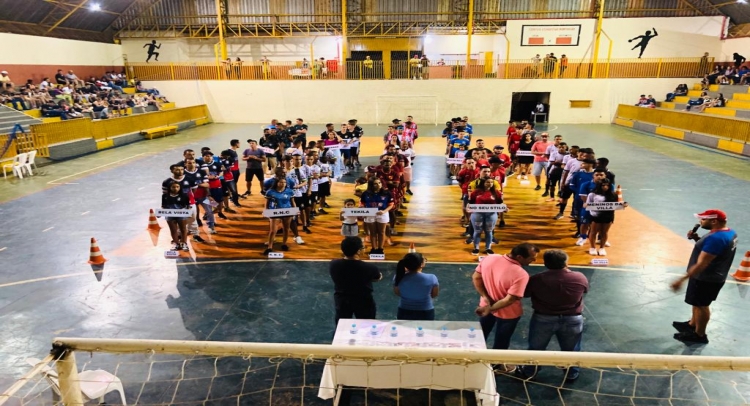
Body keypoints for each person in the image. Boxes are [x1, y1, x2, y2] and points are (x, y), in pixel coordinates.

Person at [517, 249, 589, 381]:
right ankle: (571, 372)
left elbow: (525, 294)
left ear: (546, 263)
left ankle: (530, 371)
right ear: (565, 262)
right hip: (573, 319)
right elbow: (585, 290)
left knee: (536, 348)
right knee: (572, 349)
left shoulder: (536, 279)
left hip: (543, 318)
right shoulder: (579, 277)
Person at [670, 209, 738, 344]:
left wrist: (681, 280)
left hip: (706, 278)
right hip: (712, 276)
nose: (700, 221)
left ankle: (699, 335)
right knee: (697, 302)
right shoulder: (729, 232)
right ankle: (692, 325)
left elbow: (702, 263)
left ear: (714, 221)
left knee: (702, 305)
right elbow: (713, 250)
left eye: (703, 219)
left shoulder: (716, 238)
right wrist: (697, 239)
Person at [473, 243, 539, 357]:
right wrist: (490, 308)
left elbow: (476, 277)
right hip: (508, 313)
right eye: (531, 258)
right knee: (502, 341)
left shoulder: (490, 258)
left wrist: (486, 298)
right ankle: (496, 365)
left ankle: (473, 358)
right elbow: (509, 300)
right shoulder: (521, 274)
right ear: (519, 257)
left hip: (485, 306)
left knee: (480, 336)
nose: (534, 261)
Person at [329, 237, 383, 327]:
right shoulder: (369, 268)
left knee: (342, 327)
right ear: (358, 251)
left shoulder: (334, 264)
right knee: (367, 326)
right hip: (363, 301)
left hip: (342, 300)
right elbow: (377, 277)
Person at [585, 179, 627, 256]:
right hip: (596, 216)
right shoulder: (592, 195)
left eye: (607, 185)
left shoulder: (613, 195)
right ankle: (592, 248)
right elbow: (587, 205)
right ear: (599, 186)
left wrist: (623, 205)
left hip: (608, 216)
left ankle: (602, 248)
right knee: (593, 232)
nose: (605, 187)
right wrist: (588, 206)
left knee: (604, 232)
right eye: (603, 185)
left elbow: (617, 204)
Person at [393, 253, 439, 320]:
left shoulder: (398, 277)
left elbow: (397, 292)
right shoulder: (432, 278)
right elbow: (434, 294)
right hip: (425, 311)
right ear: (421, 264)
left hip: (404, 311)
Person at [469, 178, 503, 255]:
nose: (490, 184)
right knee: (477, 231)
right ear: (483, 183)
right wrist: (469, 209)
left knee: (489, 231)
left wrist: (504, 209)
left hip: (491, 215)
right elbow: (471, 203)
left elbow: (500, 203)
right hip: (477, 214)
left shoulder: (497, 193)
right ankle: (476, 248)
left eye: (491, 182)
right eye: (488, 182)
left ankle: (488, 248)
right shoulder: (476, 192)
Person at [360, 178, 394, 255]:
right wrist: (363, 211)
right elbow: (362, 204)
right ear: (371, 185)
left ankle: (380, 249)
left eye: (379, 183)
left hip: (382, 213)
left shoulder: (387, 193)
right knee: (372, 232)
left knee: (381, 232)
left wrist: (384, 211)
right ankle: (374, 248)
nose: (378, 185)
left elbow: (391, 205)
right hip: (370, 214)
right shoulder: (365, 193)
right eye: (376, 183)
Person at [263, 177, 295, 255]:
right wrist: (266, 211)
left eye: (284, 182)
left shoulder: (290, 191)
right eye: (281, 182)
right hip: (274, 211)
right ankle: (269, 247)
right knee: (273, 230)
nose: (283, 184)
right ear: (277, 183)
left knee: (286, 229)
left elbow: (292, 202)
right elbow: (267, 203)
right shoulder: (270, 192)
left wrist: (295, 211)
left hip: (287, 211)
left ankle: (284, 244)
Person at [162, 182, 190, 251]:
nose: (175, 188)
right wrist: (160, 213)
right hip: (170, 215)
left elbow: (188, 206)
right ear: (170, 188)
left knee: (183, 229)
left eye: (177, 187)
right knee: (173, 230)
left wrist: (187, 212)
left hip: (181, 215)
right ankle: (176, 243)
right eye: (173, 187)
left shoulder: (184, 196)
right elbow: (163, 206)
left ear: (180, 188)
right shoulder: (165, 196)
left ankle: (184, 243)